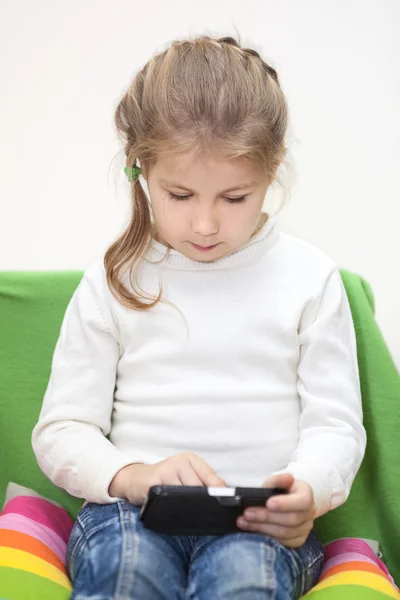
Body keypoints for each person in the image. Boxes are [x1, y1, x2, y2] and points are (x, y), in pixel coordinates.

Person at [31, 34, 366, 599]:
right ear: (140, 167)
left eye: (234, 198)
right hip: (130, 516)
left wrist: (306, 490)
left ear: (273, 168)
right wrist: (134, 477)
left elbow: (334, 427)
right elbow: (62, 431)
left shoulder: (310, 279)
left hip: (256, 526)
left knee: (243, 582)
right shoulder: (113, 281)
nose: (206, 225)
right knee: (125, 571)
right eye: (179, 195)